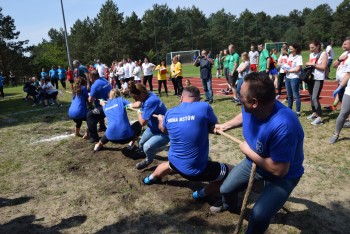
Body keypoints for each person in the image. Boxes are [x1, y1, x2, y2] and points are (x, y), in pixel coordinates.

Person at [210, 72, 304, 234]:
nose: (239, 97)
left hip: (282, 176)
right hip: (256, 162)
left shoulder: (284, 125)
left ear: (254, 102)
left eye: (241, 97)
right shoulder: (252, 107)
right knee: (226, 189)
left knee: (259, 215)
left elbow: (279, 170)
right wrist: (225, 126)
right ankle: (229, 205)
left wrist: (247, 150)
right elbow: (244, 114)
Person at [142, 86, 231, 199]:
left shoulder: (170, 113)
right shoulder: (204, 107)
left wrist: (161, 119)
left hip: (174, 161)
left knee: (169, 165)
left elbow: (163, 129)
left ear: (181, 98)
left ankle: (150, 179)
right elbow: (214, 124)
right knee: (232, 173)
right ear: (198, 98)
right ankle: (200, 194)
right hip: (196, 170)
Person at [128, 82, 169, 170]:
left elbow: (142, 122)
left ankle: (148, 160)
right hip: (153, 128)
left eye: (137, 98)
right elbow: (138, 103)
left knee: (147, 146)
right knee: (141, 143)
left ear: (142, 94)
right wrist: (129, 105)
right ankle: (144, 152)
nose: (137, 100)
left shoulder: (151, 101)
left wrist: (139, 112)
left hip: (164, 132)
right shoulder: (148, 94)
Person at [329, 36, 350, 144]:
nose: (343, 46)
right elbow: (348, 74)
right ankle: (336, 134)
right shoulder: (345, 55)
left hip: (345, 85)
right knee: (344, 112)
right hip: (348, 89)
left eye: (345, 44)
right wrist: (340, 86)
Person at [305, 40, 328, 125]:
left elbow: (323, 67)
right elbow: (311, 64)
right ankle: (314, 113)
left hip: (319, 78)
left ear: (318, 46)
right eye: (310, 48)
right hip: (311, 77)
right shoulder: (311, 54)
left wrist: (313, 64)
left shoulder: (323, 54)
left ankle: (319, 117)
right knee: (311, 96)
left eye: (313, 47)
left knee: (315, 97)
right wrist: (308, 64)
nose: (311, 49)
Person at [86, 70, 112, 143]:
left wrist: (89, 96)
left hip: (105, 107)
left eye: (90, 77)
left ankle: (94, 137)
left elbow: (90, 100)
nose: (89, 79)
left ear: (93, 77)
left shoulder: (94, 85)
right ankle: (102, 126)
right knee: (97, 106)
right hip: (111, 102)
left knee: (89, 115)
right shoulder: (104, 79)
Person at [284, 44, 303, 116]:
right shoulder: (290, 56)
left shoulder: (299, 57)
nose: (289, 50)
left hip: (295, 77)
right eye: (289, 49)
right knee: (289, 95)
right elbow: (288, 66)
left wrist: (289, 71)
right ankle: (289, 110)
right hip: (288, 77)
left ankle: (297, 112)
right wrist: (285, 68)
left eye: (291, 49)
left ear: (295, 49)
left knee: (296, 95)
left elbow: (298, 68)